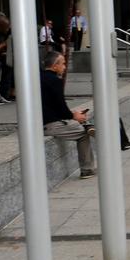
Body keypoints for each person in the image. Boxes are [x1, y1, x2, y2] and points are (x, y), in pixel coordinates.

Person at [40, 51, 95, 179]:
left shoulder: (39, 77)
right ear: (55, 66)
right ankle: (87, 169)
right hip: (51, 125)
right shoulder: (55, 81)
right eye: (63, 64)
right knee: (83, 134)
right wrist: (74, 116)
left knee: (81, 124)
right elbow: (61, 108)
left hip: (42, 122)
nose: (65, 67)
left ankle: (88, 127)